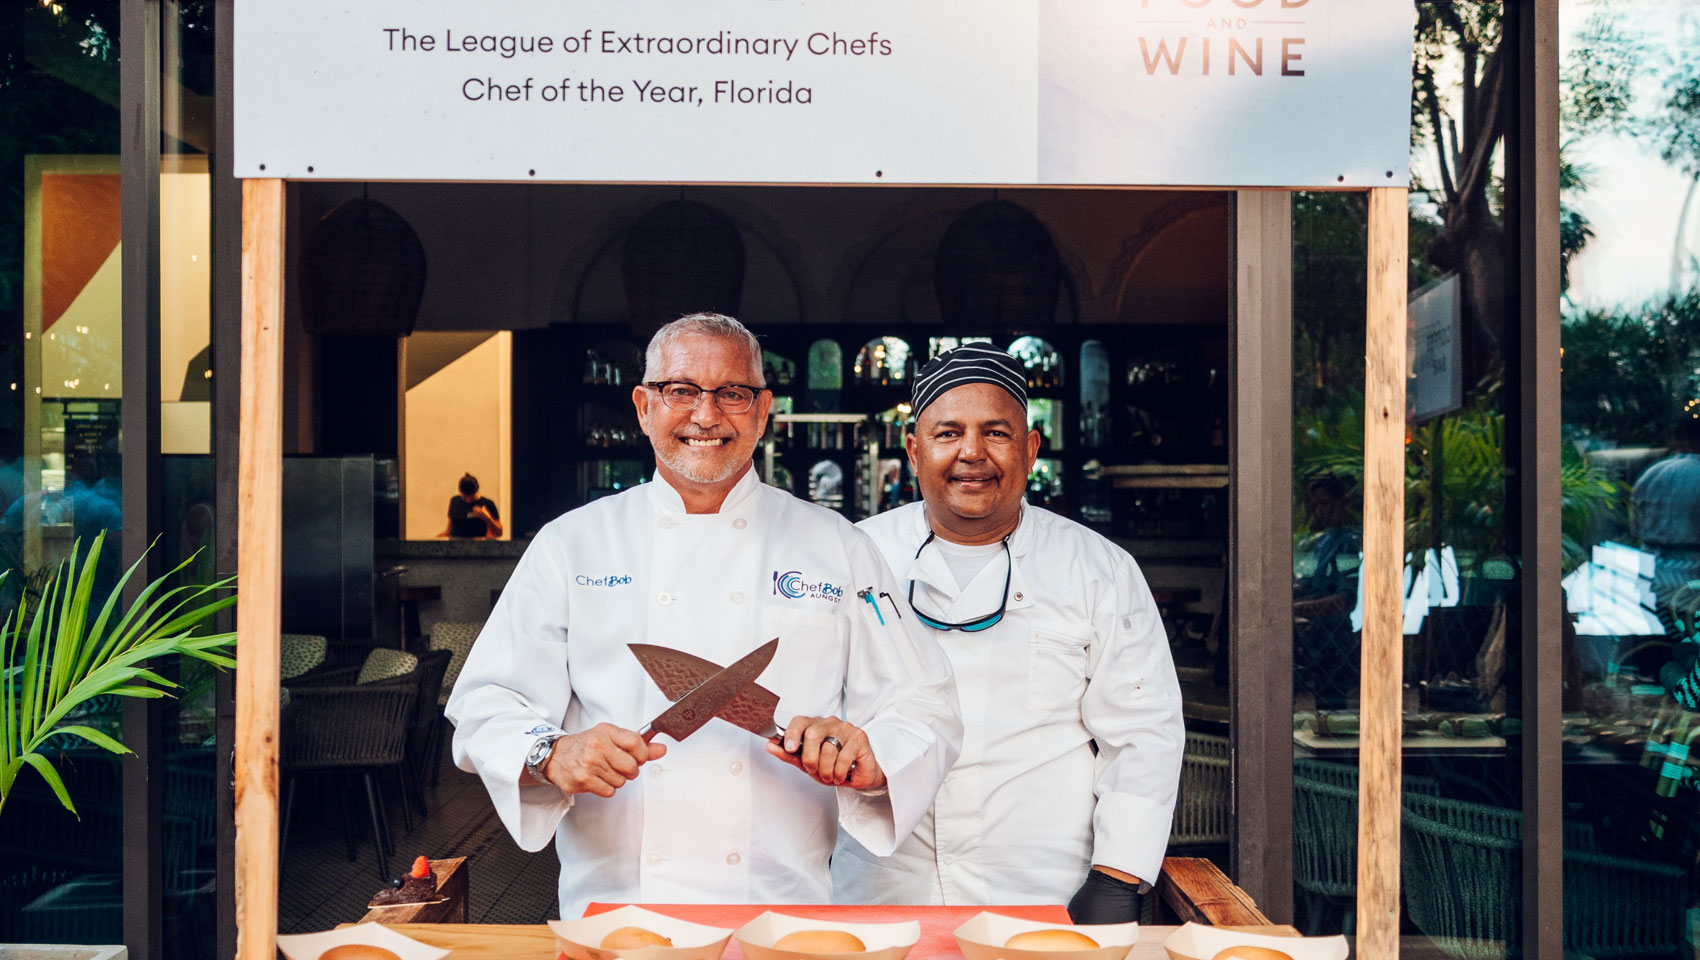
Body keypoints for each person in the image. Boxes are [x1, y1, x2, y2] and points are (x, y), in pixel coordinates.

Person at [446, 313, 963, 917]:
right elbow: (486, 703)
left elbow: (924, 702)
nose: (706, 414)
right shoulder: (572, 544)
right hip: (617, 916)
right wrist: (550, 753)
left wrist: (872, 755)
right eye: (681, 390)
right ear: (643, 406)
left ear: (763, 409)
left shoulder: (837, 545)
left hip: (783, 915)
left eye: (733, 393)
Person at [831, 344, 1184, 923]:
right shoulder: (851, 556)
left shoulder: (1099, 567)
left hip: (1041, 885)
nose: (972, 453)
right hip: (882, 882)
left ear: (1030, 448)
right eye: (948, 433)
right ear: (914, 452)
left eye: (996, 432)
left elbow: (1144, 734)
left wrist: (1119, 877)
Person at [442, 473, 503, 539]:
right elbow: (449, 530)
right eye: (465, 497)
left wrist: (487, 518)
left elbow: (499, 533)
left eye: (472, 497)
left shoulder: (487, 503)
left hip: (477, 544)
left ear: (476, 492)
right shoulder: (455, 501)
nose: (468, 500)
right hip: (456, 544)